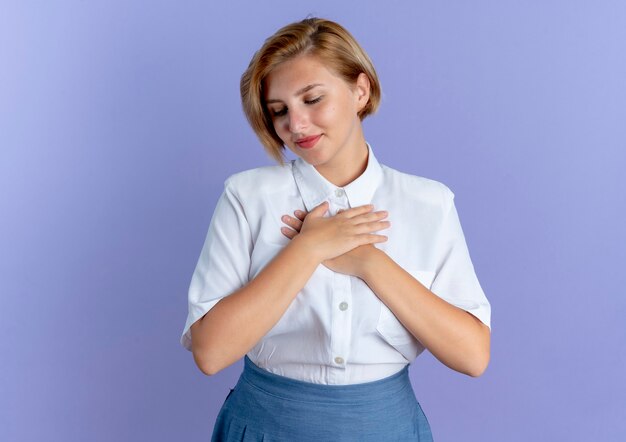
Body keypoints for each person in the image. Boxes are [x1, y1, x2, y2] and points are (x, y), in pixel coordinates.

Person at [181, 17, 491, 441]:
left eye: (312, 99)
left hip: (387, 428)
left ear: (360, 90)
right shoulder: (247, 196)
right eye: (279, 111)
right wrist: (307, 250)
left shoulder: (429, 204)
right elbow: (211, 353)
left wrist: (368, 262)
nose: (297, 124)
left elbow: (473, 356)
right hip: (264, 426)